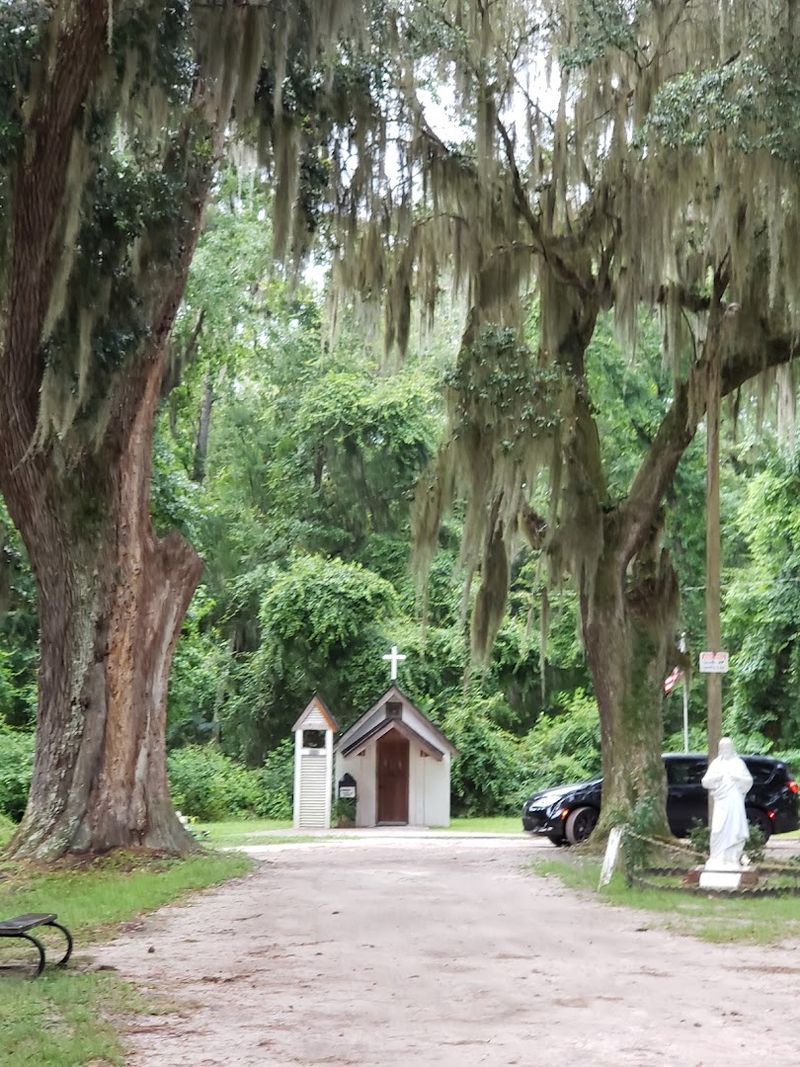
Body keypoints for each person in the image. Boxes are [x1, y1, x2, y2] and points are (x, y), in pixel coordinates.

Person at [701, 737, 753, 867]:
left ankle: (732, 857)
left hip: (734, 801)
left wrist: (738, 778)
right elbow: (705, 782)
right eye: (722, 748)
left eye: (727, 747)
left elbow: (749, 781)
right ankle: (716, 857)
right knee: (717, 829)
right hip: (721, 801)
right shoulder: (716, 764)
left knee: (734, 828)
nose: (725, 750)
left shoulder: (738, 763)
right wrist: (715, 778)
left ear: (732, 748)